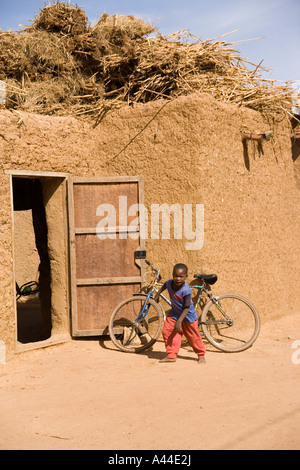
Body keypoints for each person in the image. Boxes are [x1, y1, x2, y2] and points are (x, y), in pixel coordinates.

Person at [154, 263, 206, 364]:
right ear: (172, 275)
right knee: (167, 331)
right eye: (176, 276)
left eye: (181, 277)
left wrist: (179, 322)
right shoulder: (169, 283)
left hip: (188, 316)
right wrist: (158, 293)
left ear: (186, 277)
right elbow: (165, 285)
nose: (178, 279)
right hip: (175, 313)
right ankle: (171, 354)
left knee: (193, 336)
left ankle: (201, 354)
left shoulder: (186, 290)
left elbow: (186, 308)